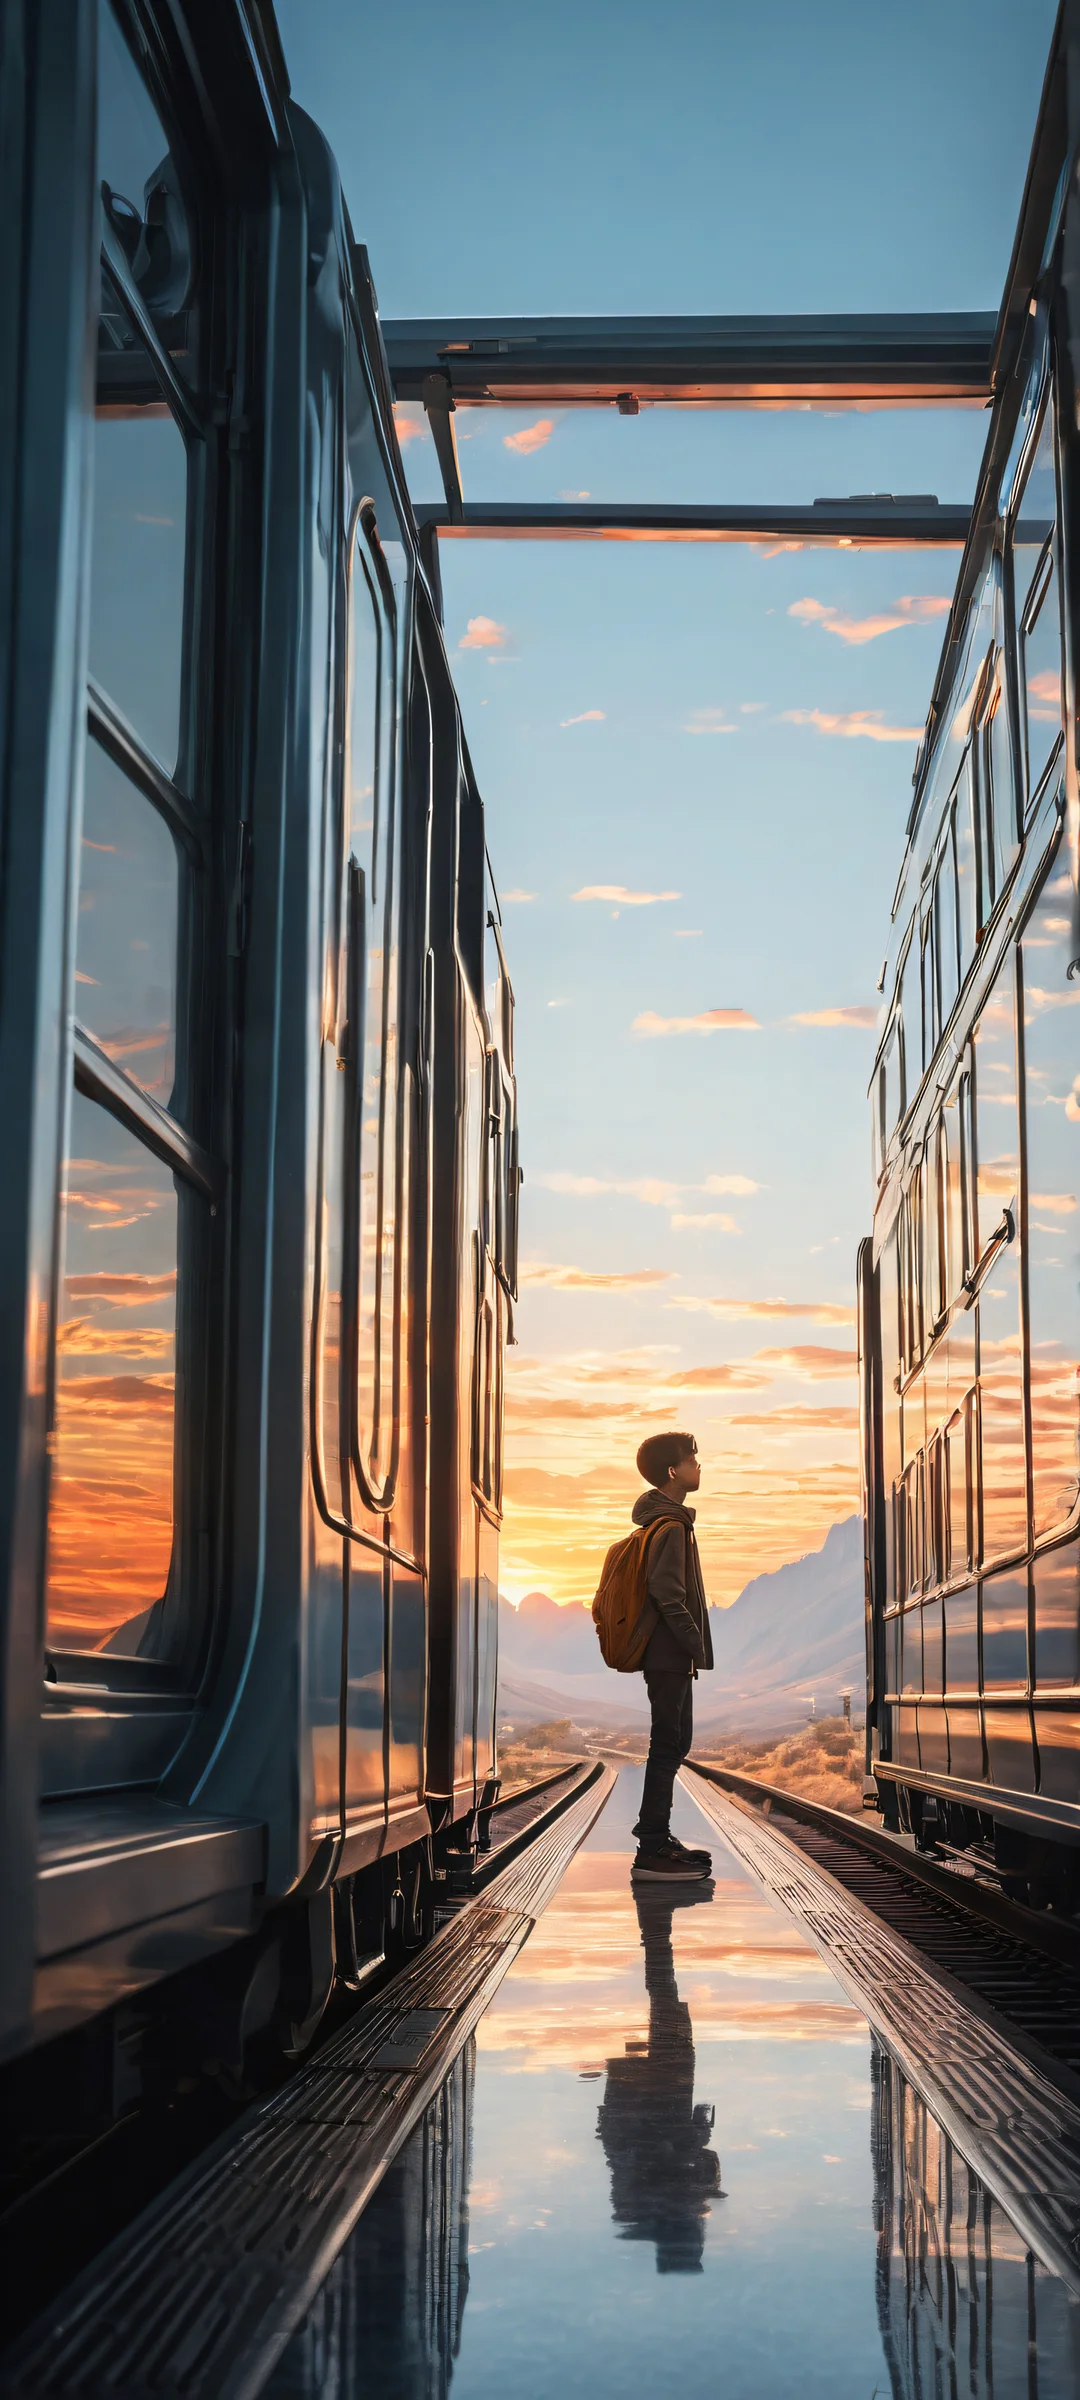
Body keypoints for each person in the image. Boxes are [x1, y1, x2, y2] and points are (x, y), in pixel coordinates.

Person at [630, 1430, 714, 1881]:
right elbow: (667, 1591)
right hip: (669, 1653)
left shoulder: (663, 1521)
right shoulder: (673, 1525)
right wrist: (693, 1640)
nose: (699, 1467)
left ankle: (656, 1837)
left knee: (674, 1743)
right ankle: (652, 1847)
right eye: (693, 1460)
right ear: (672, 1471)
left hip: (666, 1653)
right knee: (668, 1745)